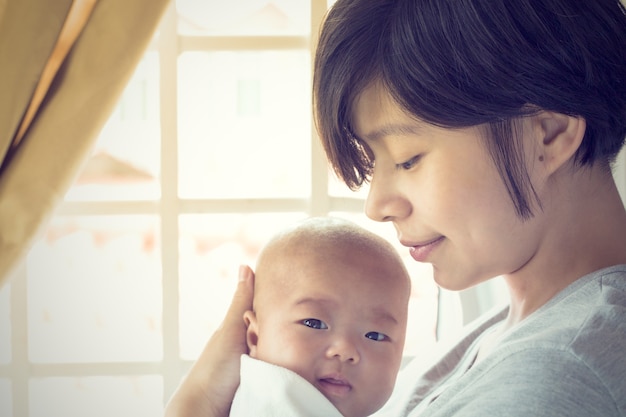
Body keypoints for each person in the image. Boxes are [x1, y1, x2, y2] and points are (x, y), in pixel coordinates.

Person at [165, 0, 626, 416]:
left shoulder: (555, 379)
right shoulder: (513, 330)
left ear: (548, 132)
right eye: (373, 163)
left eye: (408, 158)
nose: (377, 205)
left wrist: (197, 405)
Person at [229, 216, 411, 417]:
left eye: (375, 335)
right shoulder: (279, 401)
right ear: (254, 336)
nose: (344, 350)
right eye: (314, 323)